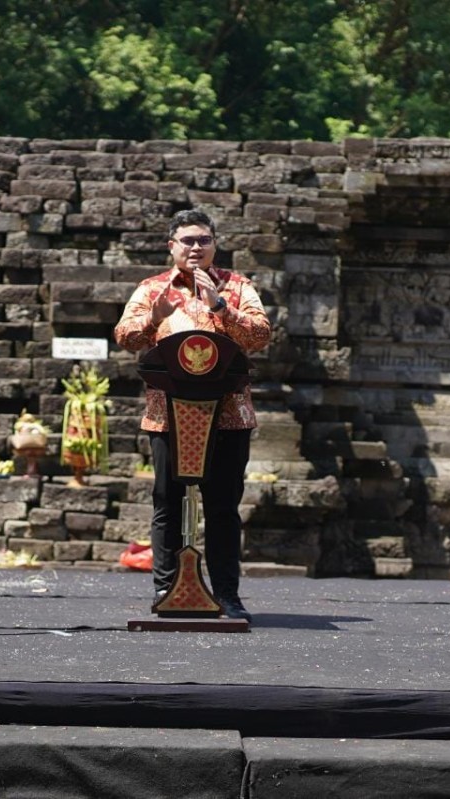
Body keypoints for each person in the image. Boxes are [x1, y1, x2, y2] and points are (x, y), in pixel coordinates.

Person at [114, 210, 272, 621]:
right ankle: (167, 589)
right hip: (169, 414)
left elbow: (260, 336)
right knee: (166, 502)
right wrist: (156, 318)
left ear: (215, 244)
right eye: (187, 240)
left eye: (203, 240)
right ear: (172, 246)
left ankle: (227, 595)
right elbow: (124, 336)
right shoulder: (153, 289)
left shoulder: (237, 286)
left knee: (222, 507)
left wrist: (220, 306)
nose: (196, 247)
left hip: (228, 414)